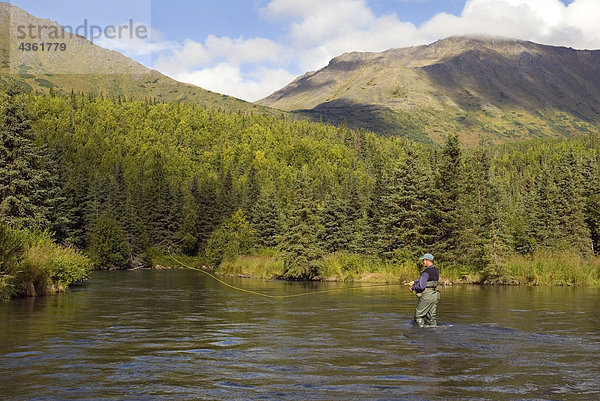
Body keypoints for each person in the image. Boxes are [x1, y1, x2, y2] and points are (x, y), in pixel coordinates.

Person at [408, 253, 439, 327]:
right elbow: (428, 280)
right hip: (435, 295)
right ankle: (433, 330)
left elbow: (421, 286)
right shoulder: (436, 271)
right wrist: (414, 282)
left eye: (424, 260)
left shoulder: (425, 272)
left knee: (418, 316)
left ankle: (422, 331)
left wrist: (413, 287)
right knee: (431, 317)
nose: (423, 262)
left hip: (427, 296)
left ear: (427, 260)